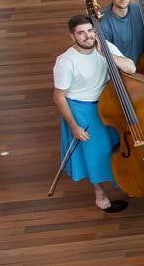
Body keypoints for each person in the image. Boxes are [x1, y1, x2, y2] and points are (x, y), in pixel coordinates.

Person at [53, 14, 137, 213]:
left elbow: (131, 68)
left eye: (90, 31)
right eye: (81, 33)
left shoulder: (104, 46)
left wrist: (105, 53)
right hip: (82, 108)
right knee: (94, 153)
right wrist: (74, 126)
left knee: (118, 146)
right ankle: (99, 191)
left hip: (108, 104)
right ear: (72, 36)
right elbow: (59, 97)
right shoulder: (65, 62)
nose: (87, 36)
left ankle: (122, 181)